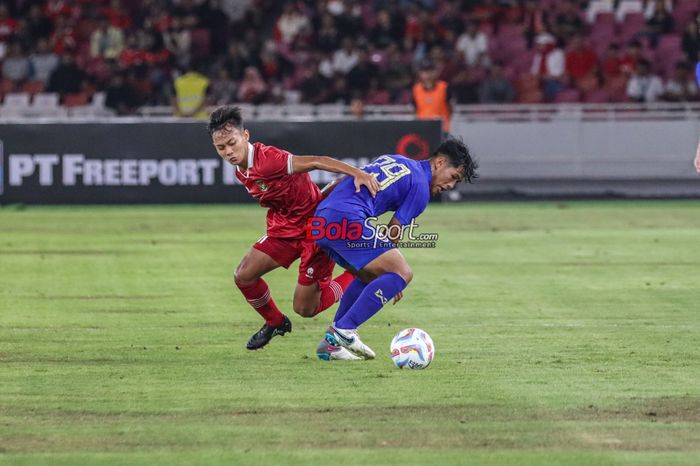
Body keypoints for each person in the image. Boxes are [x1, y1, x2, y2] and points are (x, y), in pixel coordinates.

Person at [208, 105, 381, 350]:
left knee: (305, 308)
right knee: (244, 275)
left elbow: (317, 162)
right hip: (284, 229)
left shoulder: (269, 160)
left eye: (232, 143)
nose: (228, 151)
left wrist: (356, 173)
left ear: (245, 136)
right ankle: (275, 322)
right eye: (221, 148)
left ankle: (356, 276)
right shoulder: (240, 169)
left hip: (315, 230)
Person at [310, 139, 478, 360]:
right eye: (453, 177)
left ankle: (331, 345)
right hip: (346, 218)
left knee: (367, 274)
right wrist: (393, 276)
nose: (450, 186)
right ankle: (344, 330)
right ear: (438, 162)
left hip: (322, 221)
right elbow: (394, 230)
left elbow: (344, 180)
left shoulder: (397, 160)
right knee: (402, 273)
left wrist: (385, 274)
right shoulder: (420, 186)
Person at [412, 59, 453, 136]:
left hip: (442, 131)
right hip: (422, 131)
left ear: (436, 72)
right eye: (424, 72)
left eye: (431, 71)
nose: (428, 75)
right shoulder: (416, 89)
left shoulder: (444, 87)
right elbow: (415, 109)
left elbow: (450, 108)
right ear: (420, 74)